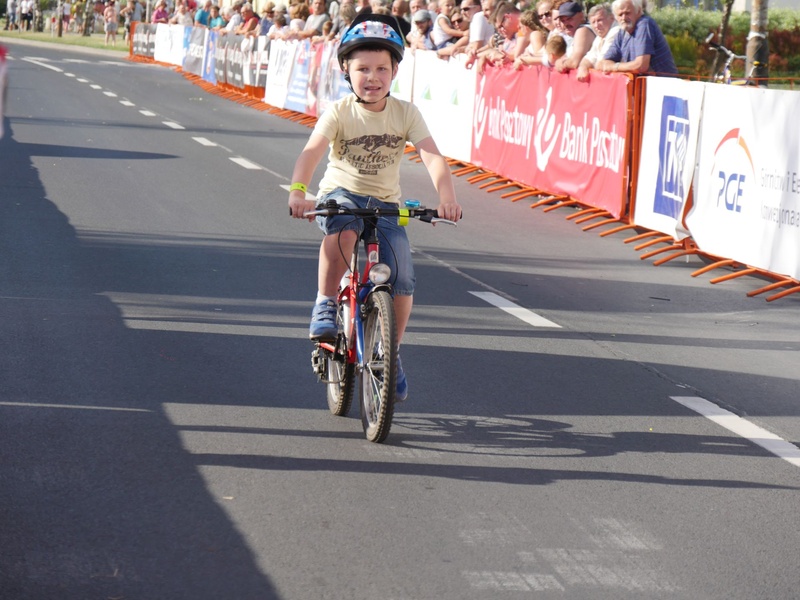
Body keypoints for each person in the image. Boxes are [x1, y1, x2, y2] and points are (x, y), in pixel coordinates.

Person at [287, 12, 461, 402]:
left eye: (382, 68)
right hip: (341, 195)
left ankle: (389, 351)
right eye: (362, 69)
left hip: (385, 204)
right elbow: (311, 152)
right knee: (345, 229)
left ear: (395, 71)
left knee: (401, 280)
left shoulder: (406, 113)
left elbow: (432, 156)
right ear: (346, 72)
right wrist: (298, 192)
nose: (373, 77)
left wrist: (447, 199)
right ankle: (325, 303)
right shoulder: (339, 112)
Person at [596, 0, 677, 76]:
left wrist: (615, 67)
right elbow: (601, 64)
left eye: (627, 13)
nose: (624, 18)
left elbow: (641, 66)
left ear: (638, 12)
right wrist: (610, 65)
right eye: (620, 15)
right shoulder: (622, 32)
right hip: (642, 84)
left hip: (662, 83)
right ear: (615, 17)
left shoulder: (644, 24)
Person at [576, 2, 619, 81]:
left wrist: (587, 67)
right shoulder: (600, 36)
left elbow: (601, 63)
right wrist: (583, 67)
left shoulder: (616, 31)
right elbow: (589, 58)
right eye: (593, 22)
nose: (596, 26)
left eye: (599, 20)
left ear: (612, 18)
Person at [552, 1, 595, 74]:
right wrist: (559, 61)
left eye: (569, 19)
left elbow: (574, 62)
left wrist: (560, 64)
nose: (566, 24)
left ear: (581, 16)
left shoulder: (582, 30)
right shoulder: (573, 34)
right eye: (563, 21)